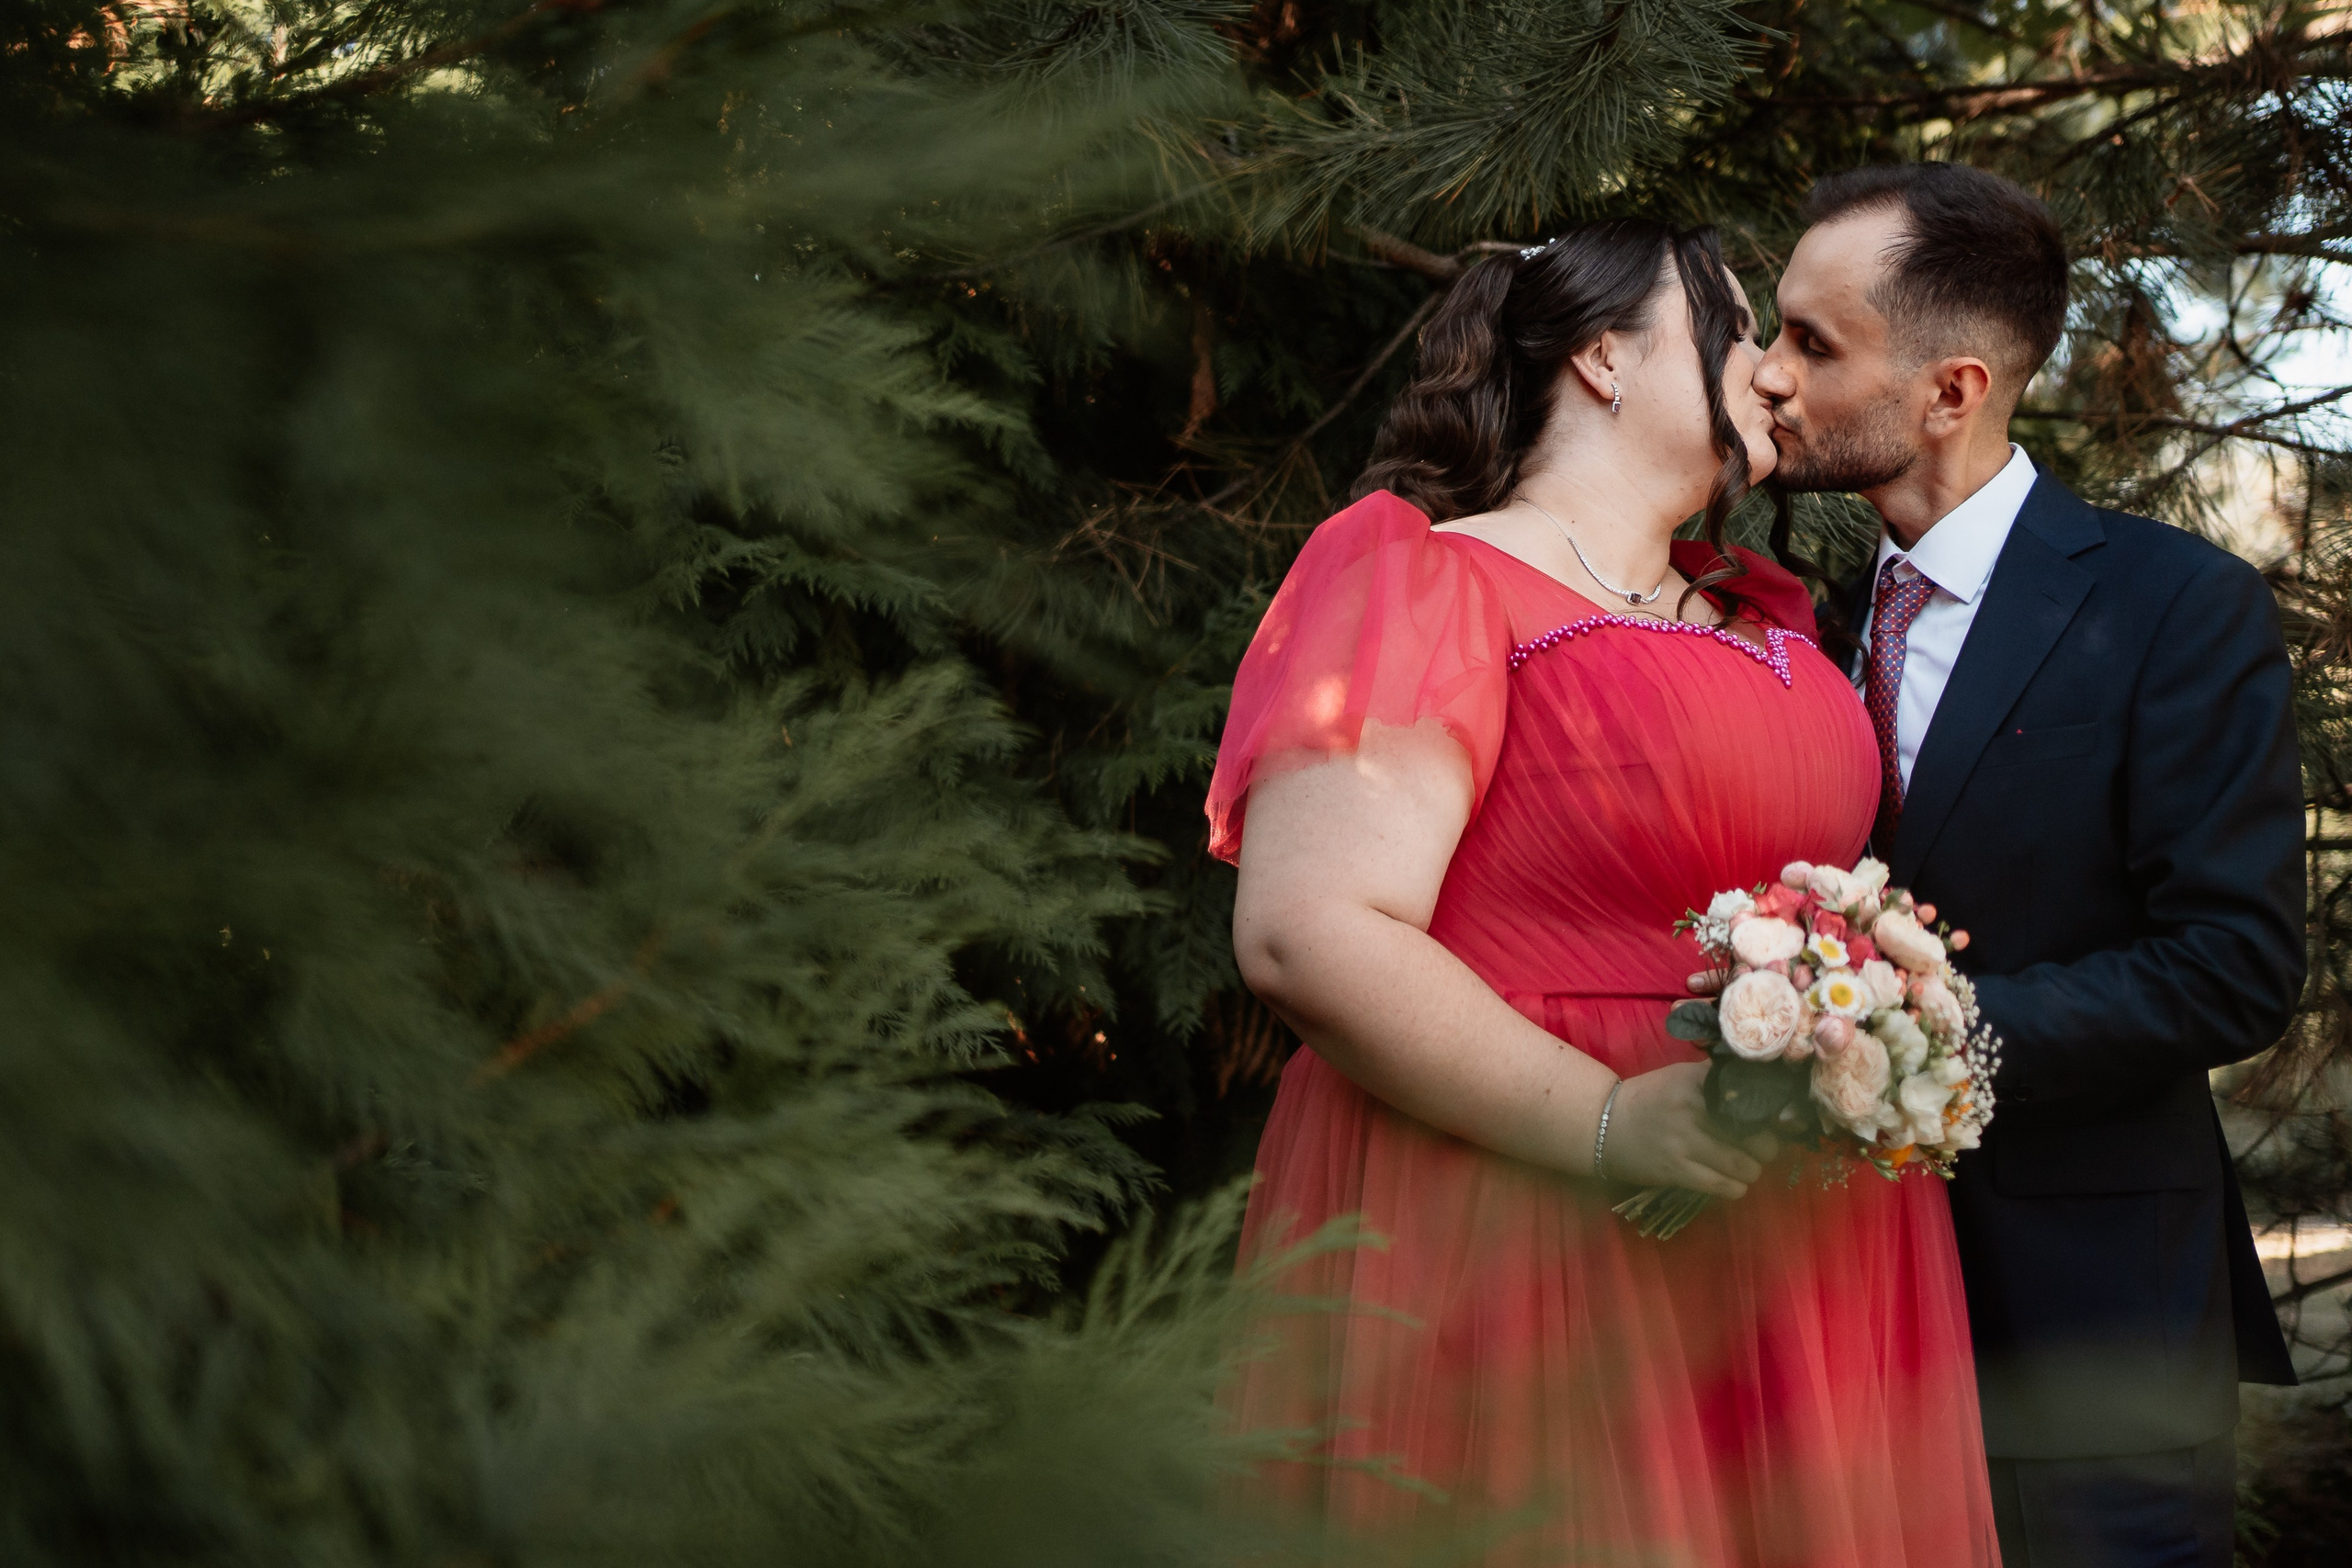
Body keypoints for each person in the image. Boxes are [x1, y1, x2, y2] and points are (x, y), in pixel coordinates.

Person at [1207, 219, 2000, 1565]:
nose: (1770, 374)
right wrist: (1610, 1123)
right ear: (1602, 360)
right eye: (1737, 330)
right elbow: (1307, 927)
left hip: (1802, 1254)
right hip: (1534, 1220)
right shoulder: (1423, 577)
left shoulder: (1767, 615)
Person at [1755, 162, 2304, 1568]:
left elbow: (2233, 965)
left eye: (1813, 344)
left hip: (2088, 1333)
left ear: (1953, 389)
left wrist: (1912, 1043)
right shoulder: (1784, 630)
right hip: (1821, 1326)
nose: (1764, 376)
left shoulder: (2177, 605)